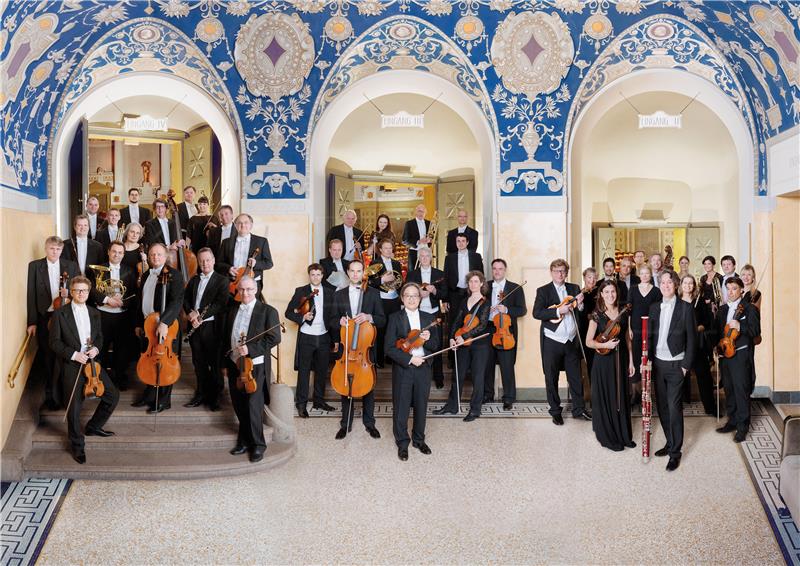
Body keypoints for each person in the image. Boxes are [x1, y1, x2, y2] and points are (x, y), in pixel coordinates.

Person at [49, 276, 119, 464]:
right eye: (77, 290)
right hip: (72, 363)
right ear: (71, 292)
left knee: (112, 395)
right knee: (74, 408)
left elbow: (99, 337)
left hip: (92, 363)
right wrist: (74, 355)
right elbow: (54, 342)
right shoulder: (60, 314)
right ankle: (78, 445)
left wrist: (96, 348)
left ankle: (94, 426)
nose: (81, 293)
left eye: (85, 290)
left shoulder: (95, 313)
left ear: (89, 293)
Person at [222, 276, 281, 463]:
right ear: (237, 291)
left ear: (256, 290)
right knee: (239, 404)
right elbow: (225, 338)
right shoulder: (232, 310)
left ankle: (258, 445)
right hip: (235, 363)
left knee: (253, 406)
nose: (245, 293)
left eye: (248, 289)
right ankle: (244, 441)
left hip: (255, 366)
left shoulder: (268, 311)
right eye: (241, 289)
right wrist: (224, 363)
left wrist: (251, 349)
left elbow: (274, 337)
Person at [329, 260, 386, 439]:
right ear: (347, 272)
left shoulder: (374, 293)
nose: (355, 274)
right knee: (345, 386)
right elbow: (331, 320)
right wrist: (339, 321)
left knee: (368, 386)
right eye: (352, 271)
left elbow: (382, 319)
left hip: (364, 349)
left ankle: (370, 423)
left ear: (363, 273)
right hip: (347, 350)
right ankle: (345, 424)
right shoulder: (339, 295)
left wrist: (369, 317)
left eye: (359, 271)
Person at [532, 259, 592, 425]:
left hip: (571, 341)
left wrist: (580, 305)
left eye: (563, 271)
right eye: (557, 271)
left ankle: (579, 409)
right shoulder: (543, 291)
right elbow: (537, 313)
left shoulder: (574, 288)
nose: (560, 274)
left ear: (567, 273)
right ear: (551, 272)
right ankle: (555, 411)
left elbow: (581, 313)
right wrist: (558, 311)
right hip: (552, 341)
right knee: (551, 377)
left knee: (576, 377)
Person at [385, 282, 440, 461]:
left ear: (420, 298)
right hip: (404, 368)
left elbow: (435, 346)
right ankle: (402, 442)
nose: (411, 299)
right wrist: (409, 359)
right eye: (407, 295)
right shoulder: (395, 318)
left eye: (415, 295)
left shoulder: (428, 318)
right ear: (402, 298)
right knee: (401, 406)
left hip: (423, 368)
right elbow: (389, 348)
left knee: (421, 405)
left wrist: (429, 339)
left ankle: (419, 440)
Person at [648, 270, 696, 472]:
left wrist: (685, 366)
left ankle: (675, 453)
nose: (666, 285)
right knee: (663, 408)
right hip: (658, 364)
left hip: (677, 365)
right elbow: (650, 337)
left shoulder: (686, 308)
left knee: (674, 408)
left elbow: (692, 340)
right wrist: (647, 360)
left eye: (669, 282)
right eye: (663, 282)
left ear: (675, 285)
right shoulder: (654, 307)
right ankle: (669, 442)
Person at [27, 236, 80, 410]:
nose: (55, 252)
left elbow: (79, 290)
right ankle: (51, 397)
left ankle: (67, 395)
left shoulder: (71, 266)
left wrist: (69, 294)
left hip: (65, 316)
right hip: (45, 317)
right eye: (52, 249)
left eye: (58, 249)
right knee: (48, 357)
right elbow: (31, 295)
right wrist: (32, 322)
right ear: (46, 248)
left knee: (66, 356)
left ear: (62, 250)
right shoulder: (35, 266)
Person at [132, 244, 185, 413]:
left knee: (164, 361)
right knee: (150, 360)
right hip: (148, 325)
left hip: (166, 326)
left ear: (166, 256)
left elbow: (177, 301)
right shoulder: (146, 274)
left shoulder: (174, 275)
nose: (155, 257)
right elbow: (140, 301)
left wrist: (164, 322)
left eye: (159, 254)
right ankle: (149, 395)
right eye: (152, 254)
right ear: (148, 256)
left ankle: (164, 400)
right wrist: (138, 323)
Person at [433, 270, 491, 421]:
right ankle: (452, 406)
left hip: (480, 345)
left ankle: (475, 410)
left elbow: (482, 325)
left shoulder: (486, 302)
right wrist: (452, 338)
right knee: (457, 375)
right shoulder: (464, 300)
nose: (473, 284)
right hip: (462, 344)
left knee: (478, 377)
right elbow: (457, 321)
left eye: (476, 281)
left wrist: (463, 337)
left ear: (482, 283)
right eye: (471, 281)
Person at [585, 280, 635, 452]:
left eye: (612, 291)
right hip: (603, 362)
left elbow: (627, 338)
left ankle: (623, 435)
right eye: (606, 292)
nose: (610, 295)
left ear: (617, 293)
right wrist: (605, 345)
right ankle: (609, 436)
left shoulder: (624, 312)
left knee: (620, 395)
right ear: (601, 294)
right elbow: (589, 341)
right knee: (608, 396)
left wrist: (631, 361)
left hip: (621, 359)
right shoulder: (596, 315)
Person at [285, 263, 336, 417]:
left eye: (318, 275)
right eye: (313, 274)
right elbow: (288, 312)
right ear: (309, 275)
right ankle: (301, 404)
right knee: (304, 371)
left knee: (321, 370)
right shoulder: (301, 291)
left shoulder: (330, 292)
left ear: (322, 276)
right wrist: (303, 317)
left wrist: (335, 339)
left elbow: (333, 316)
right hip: (306, 336)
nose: (315, 277)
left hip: (324, 336)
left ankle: (319, 401)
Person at [183, 248, 230, 411]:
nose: (205, 263)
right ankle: (201, 393)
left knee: (214, 363)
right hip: (195, 327)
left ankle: (215, 397)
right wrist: (190, 313)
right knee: (198, 362)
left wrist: (199, 314)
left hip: (212, 327)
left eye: (208, 260)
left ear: (214, 260)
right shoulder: (194, 280)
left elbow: (220, 303)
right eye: (202, 261)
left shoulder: (222, 280)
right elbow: (185, 299)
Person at [714, 276, 760, 443]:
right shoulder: (723, 310)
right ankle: (732, 421)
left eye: (734, 289)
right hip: (726, 356)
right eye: (728, 289)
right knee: (729, 390)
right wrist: (717, 348)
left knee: (741, 391)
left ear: (741, 290)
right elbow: (718, 333)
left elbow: (755, 331)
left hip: (741, 356)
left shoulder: (749, 309)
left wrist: (741, 326)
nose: (731, 292)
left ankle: (742, 427)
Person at [88, 241, 138, 391]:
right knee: (101, 347)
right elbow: (91, 289)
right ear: (108, 252)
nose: (117, 255)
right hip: (102, 315)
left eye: (120, 252)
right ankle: (100, 379)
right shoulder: (97, 269)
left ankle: (120, 377)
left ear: (124, 254)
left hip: (122, 315)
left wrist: (123, 302)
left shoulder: (129, 271)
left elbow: (134, 293)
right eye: (114, 251)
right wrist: (107, 299)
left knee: (122, 349)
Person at [484, 259, 527, 410]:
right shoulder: (485, 286)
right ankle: (487, 394)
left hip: (505, 330)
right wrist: (485, 311)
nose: (497, 271)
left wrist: (507, 310)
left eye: (500, 269)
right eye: (494, 269)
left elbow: (522, 310)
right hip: (488, 328)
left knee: (507, 365)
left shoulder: (515, 288)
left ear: (505, 270)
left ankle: (508, 398)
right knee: (487, 363)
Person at [406, 246, 447, 388]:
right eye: (421, 256)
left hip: (433, 314)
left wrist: (434, 290)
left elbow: (444, 294)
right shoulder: (412, 274)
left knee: (437, 345)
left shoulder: (439, 274)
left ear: (431, 258)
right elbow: (406, 292)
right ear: (418, 258)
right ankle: (418, 376)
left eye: (427, 256)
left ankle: (438, 377)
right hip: (416, 314)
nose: (424, 258)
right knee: (416, 345)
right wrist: (418, 294)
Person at [679, 274, 715, 414]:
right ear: (681, 285)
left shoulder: (699, 302)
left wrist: (697, 328)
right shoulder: (676, 302)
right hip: (681, 344)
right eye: (685, 283)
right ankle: (680, 403)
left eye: (690, 283)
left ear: (694, 286)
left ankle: (710, 407)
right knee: (680, 375)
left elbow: (706, 321)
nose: (688, 285)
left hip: (697, 343)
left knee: (704, 375)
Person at [627, 264, 662, 405]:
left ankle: (647, 393)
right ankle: (634, 393)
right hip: (635, 328)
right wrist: (629, 328)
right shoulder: (633, 289)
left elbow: (659, 312)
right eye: (642, 273)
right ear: (639, 275)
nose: (645, 275)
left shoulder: (656, 291)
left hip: (651, 329)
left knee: (649, 358)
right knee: (636, 359)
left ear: (650, 275)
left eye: (647, 273)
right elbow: (629, 311)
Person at [216, 213, 273, 296]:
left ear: (251, 225)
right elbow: (218, 263)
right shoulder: (226, 242)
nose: (243, 225)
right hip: (232, 283)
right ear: (235, 225)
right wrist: (229, 268)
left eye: (246, 222)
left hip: (252, 284)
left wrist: (255, 264)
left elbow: (269, 263)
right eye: (239, 223)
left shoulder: (261, 241)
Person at [368, 239, 403, 367]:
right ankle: (379, 359)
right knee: (380, 329)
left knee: (393, 329)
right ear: (380, 250)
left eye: (390, 248)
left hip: (394, 300)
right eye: (386, 248)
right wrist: (383, 279)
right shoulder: (374, 263)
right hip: (381, 300)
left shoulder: (396, 263)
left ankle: (390, 356)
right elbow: (370, 282)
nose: (388, 250)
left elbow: (400, 281)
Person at [443, 233, 483, 314]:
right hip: (454, 294)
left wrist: (480, 294)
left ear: (467, 242)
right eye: (458, 241)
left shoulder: (476, 257)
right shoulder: (449, 258)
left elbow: (481, 276)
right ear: (456, 243)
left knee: (471, 317)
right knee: (455, 318)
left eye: (463, 241)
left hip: (471, 292)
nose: (460, 243)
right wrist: (445, 299)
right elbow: (445, 278)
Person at [741, 264, 762, 395]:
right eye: (743, 274)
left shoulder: (756, 293)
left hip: (748, 332)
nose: (746, 277)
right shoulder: (738, 291)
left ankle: (748, 390)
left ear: (753, 277)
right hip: (737, 333)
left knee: (748, 362)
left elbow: (752, 313)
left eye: (749, 274)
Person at [578, 267, 599, 376]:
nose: (592, 280)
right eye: (589, 277)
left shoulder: (600, 292)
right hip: (584, 330)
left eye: (594, 278)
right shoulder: (579, 293)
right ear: (584, 278)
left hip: (598, 330)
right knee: (587, 359)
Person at [402, 204, 432, 271]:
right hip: (414, 252)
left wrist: (430, 240)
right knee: (414, 273)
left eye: (423, 211)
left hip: (426, 252)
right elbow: (404, 240)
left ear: (425, 213)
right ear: (416, 212)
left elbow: (432, 236)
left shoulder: (429, 223)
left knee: (427, 272)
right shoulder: (409, 223)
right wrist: (418, 241)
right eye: (419, 211)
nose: (421, 213)